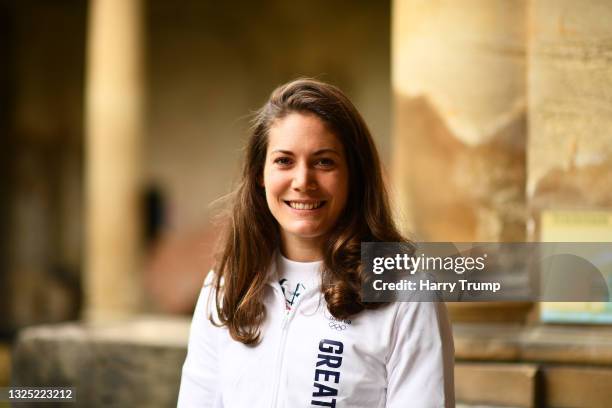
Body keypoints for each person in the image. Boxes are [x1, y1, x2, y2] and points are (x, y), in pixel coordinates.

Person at [177, 78, 454, 407]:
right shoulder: (225, 288)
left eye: (324, 161)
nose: (303, 181)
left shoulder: (407, 293)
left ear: (355, 176)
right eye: (284, 161)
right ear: (259, 176)